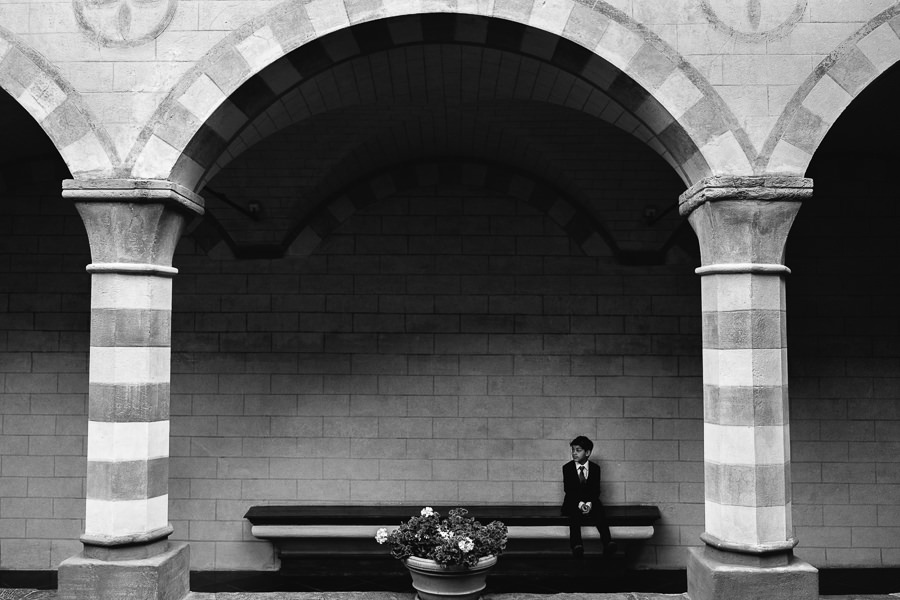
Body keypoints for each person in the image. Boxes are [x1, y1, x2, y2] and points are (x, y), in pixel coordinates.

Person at [561, 435, 615, 558]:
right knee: (574, 515)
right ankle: (577, 545)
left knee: (600, 511)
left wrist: (589, 504)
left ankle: (608, 542)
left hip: (590, 501)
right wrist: (580, 504)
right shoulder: (567, 468)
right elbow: (568, 490)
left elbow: (596, 490)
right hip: (573, 501)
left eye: (578, 450)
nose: (574, 453)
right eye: (573, 450)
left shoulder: (595, 468)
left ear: (588, 452)